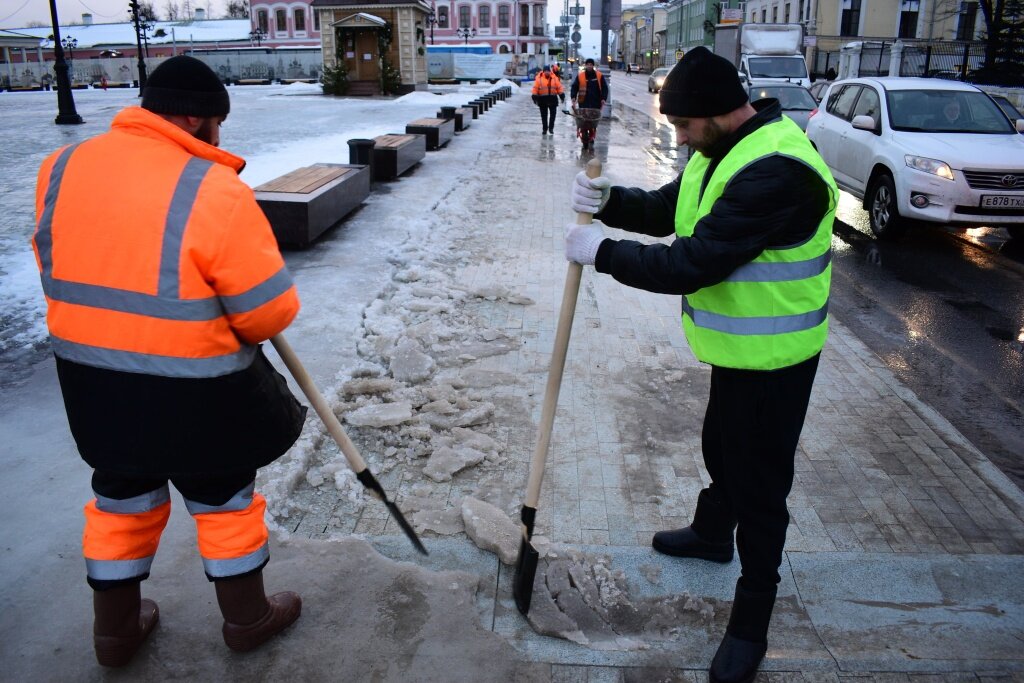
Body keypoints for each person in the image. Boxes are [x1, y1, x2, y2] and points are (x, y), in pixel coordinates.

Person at [564, 46, 837, 683]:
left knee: (762, 489)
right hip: (740, 350)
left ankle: (751, 624)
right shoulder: (721, 150)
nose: (679, 136)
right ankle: (714, 534)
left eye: (684, 125)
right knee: (721, 446)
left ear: (716, 113)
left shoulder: (777, 171)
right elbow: (671, 211)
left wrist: (602, 253)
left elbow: (693, 261)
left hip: (776, 358)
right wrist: (609, 202)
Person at [32, 55, 307, 668]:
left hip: (91, 380)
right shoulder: (213, 188)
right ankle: (247, 619)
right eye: (216, 125)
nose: (219, 139)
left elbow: (53, 257)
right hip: (196, 389)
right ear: (194, 120)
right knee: (224, 501)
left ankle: (115, 633)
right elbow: (267, 314)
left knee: (120, 498)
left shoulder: (61, 165)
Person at [569, 58, 609, 151]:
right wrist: (573, 97)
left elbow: (604, 88)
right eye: (588, 64)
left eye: (591, 64)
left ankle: (591, 135)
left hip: (595, 102)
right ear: (586, 65)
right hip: (584, 102)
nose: (589, 66)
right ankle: (584, 138)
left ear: (593, 66)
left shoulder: (599, 76)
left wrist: (603, 98)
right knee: (583, 121)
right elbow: (574, 87)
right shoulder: (581, 76)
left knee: (592, 122)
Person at [532, 64, 565, 136]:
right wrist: (534, 96)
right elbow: (535, 88)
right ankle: (544, 129)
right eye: (545, 71)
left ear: (550, 71)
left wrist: (561, 95)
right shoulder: (539, 79)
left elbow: (559, 87)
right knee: (544, 116)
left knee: (553, 115)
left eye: (548, 71)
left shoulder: (554, 78)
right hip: (542, 100)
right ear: (543, 72)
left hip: (553, 99)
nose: (547, 72)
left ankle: (551, 128)